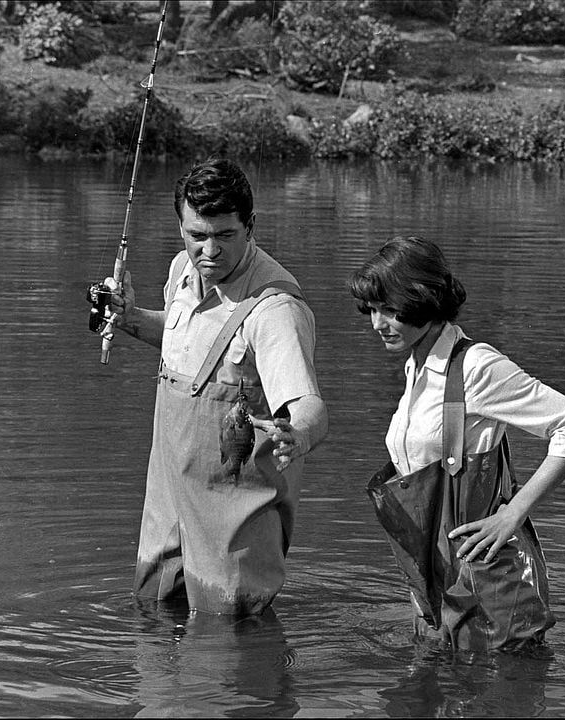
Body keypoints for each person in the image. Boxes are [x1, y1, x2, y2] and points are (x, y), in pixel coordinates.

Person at [348, 235, 565, 652]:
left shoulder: (478, 366)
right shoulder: (417, 365)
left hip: (487, 577)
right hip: (435, 574)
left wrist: (513, 513)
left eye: (391, 310)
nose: (378, 324)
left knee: (501, 689)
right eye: (373, 310)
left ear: (424, 300)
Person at [107, 157, 328, 616]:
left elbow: (308, 403)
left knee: (229, 635)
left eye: (225, 236)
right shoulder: (181, 273)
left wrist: (298, 434)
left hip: (235, 507)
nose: (209, 251)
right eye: (197, 236)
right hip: (167, 497)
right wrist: (128, 318)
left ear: (251, 226)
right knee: (152, 613)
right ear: (181, 227)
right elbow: (184, 337)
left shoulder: (275, 310)